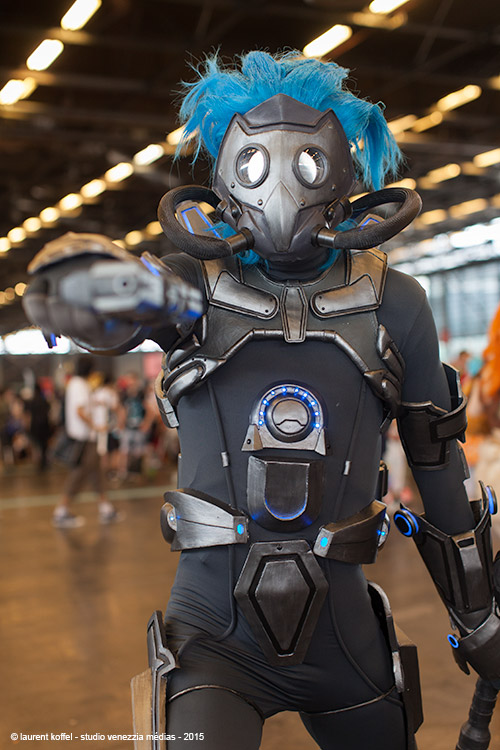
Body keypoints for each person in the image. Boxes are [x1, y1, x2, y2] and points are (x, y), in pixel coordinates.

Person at [23, 51, 500, 749]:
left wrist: (480, 617)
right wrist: (89, 285)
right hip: (215, 641)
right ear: (226, 174)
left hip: (345, 639)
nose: (280, 188)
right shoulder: (193, 287)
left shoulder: (396, 303)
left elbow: (438, 464)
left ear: (341, 168)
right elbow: (128, 299)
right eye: (255, 163)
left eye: (305, 160)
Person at [52, 358, 122, 528]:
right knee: (80, 473)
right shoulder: (80, 385)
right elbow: (80, 411)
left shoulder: (75, 384)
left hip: (84, 437)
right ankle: (61, 511)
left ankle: (105, 508)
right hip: (83, 438)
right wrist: (96, 426)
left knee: (95, 472)